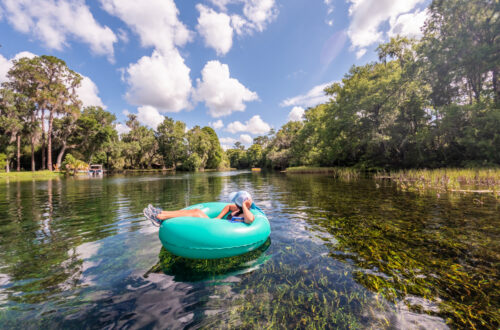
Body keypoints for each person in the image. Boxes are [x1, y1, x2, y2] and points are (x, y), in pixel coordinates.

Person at [143, 191, 256, 227]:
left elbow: (250, 220)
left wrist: (246, 206)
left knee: (196, 212)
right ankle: (161, 213)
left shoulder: (246, 214)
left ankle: (159, 218)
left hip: (217, 229)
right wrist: (218, 217)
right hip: (216, 224)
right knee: (194, 211)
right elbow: (227, 207)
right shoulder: (237, 209)